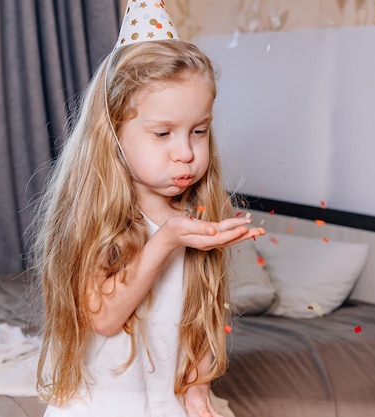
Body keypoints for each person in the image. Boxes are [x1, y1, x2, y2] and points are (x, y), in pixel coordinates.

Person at [31, 2, 265, 416]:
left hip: (168, 403)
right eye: (163, 133)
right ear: (113, 134)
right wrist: (167, 239)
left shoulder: (199, 210)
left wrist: (198, 386)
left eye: (199, 131)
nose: (186, 153)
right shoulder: (97, 216)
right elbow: (103, 318)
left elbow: (205, 310)